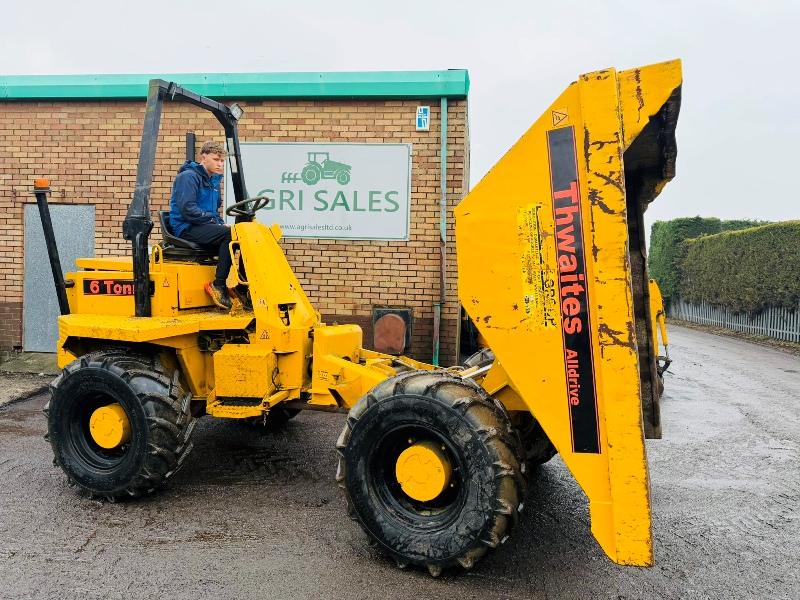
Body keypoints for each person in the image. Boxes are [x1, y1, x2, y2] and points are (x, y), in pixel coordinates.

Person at [168, 141, 237, 310]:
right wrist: (215, 222)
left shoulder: (213, 181)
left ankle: (241, 287)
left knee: (239, 233)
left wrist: (220, 223)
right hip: (185, 227)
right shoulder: (188, 177)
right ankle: (218, 285)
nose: (220, 164)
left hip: (201, 225)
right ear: (203, 157)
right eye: (216, 160)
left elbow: (212, 211)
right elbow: (188, 210)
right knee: (229, 235)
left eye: (222, 161)